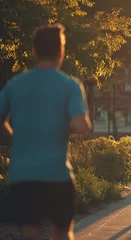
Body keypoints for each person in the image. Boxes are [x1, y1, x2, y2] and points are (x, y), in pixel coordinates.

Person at [0, 24, 92, 240]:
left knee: (30, 234)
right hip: (57, 175)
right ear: (61, 51)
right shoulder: (70, 85)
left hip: (23, 176)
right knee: (62, 233)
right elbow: (81, 126)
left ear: (34, 51)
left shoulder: (15, 85)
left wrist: (17, 139)